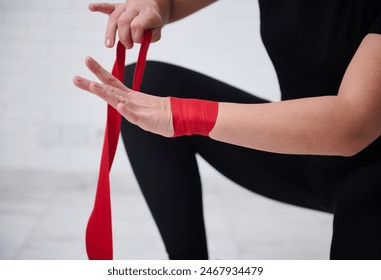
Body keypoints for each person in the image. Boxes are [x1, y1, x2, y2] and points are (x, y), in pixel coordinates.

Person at [73, 0, 381, 260]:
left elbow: (352, 124)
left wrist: (181, 115)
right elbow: (172, 3)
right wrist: (156, 6)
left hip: (371, 172)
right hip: (302, 155)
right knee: (149, 84)